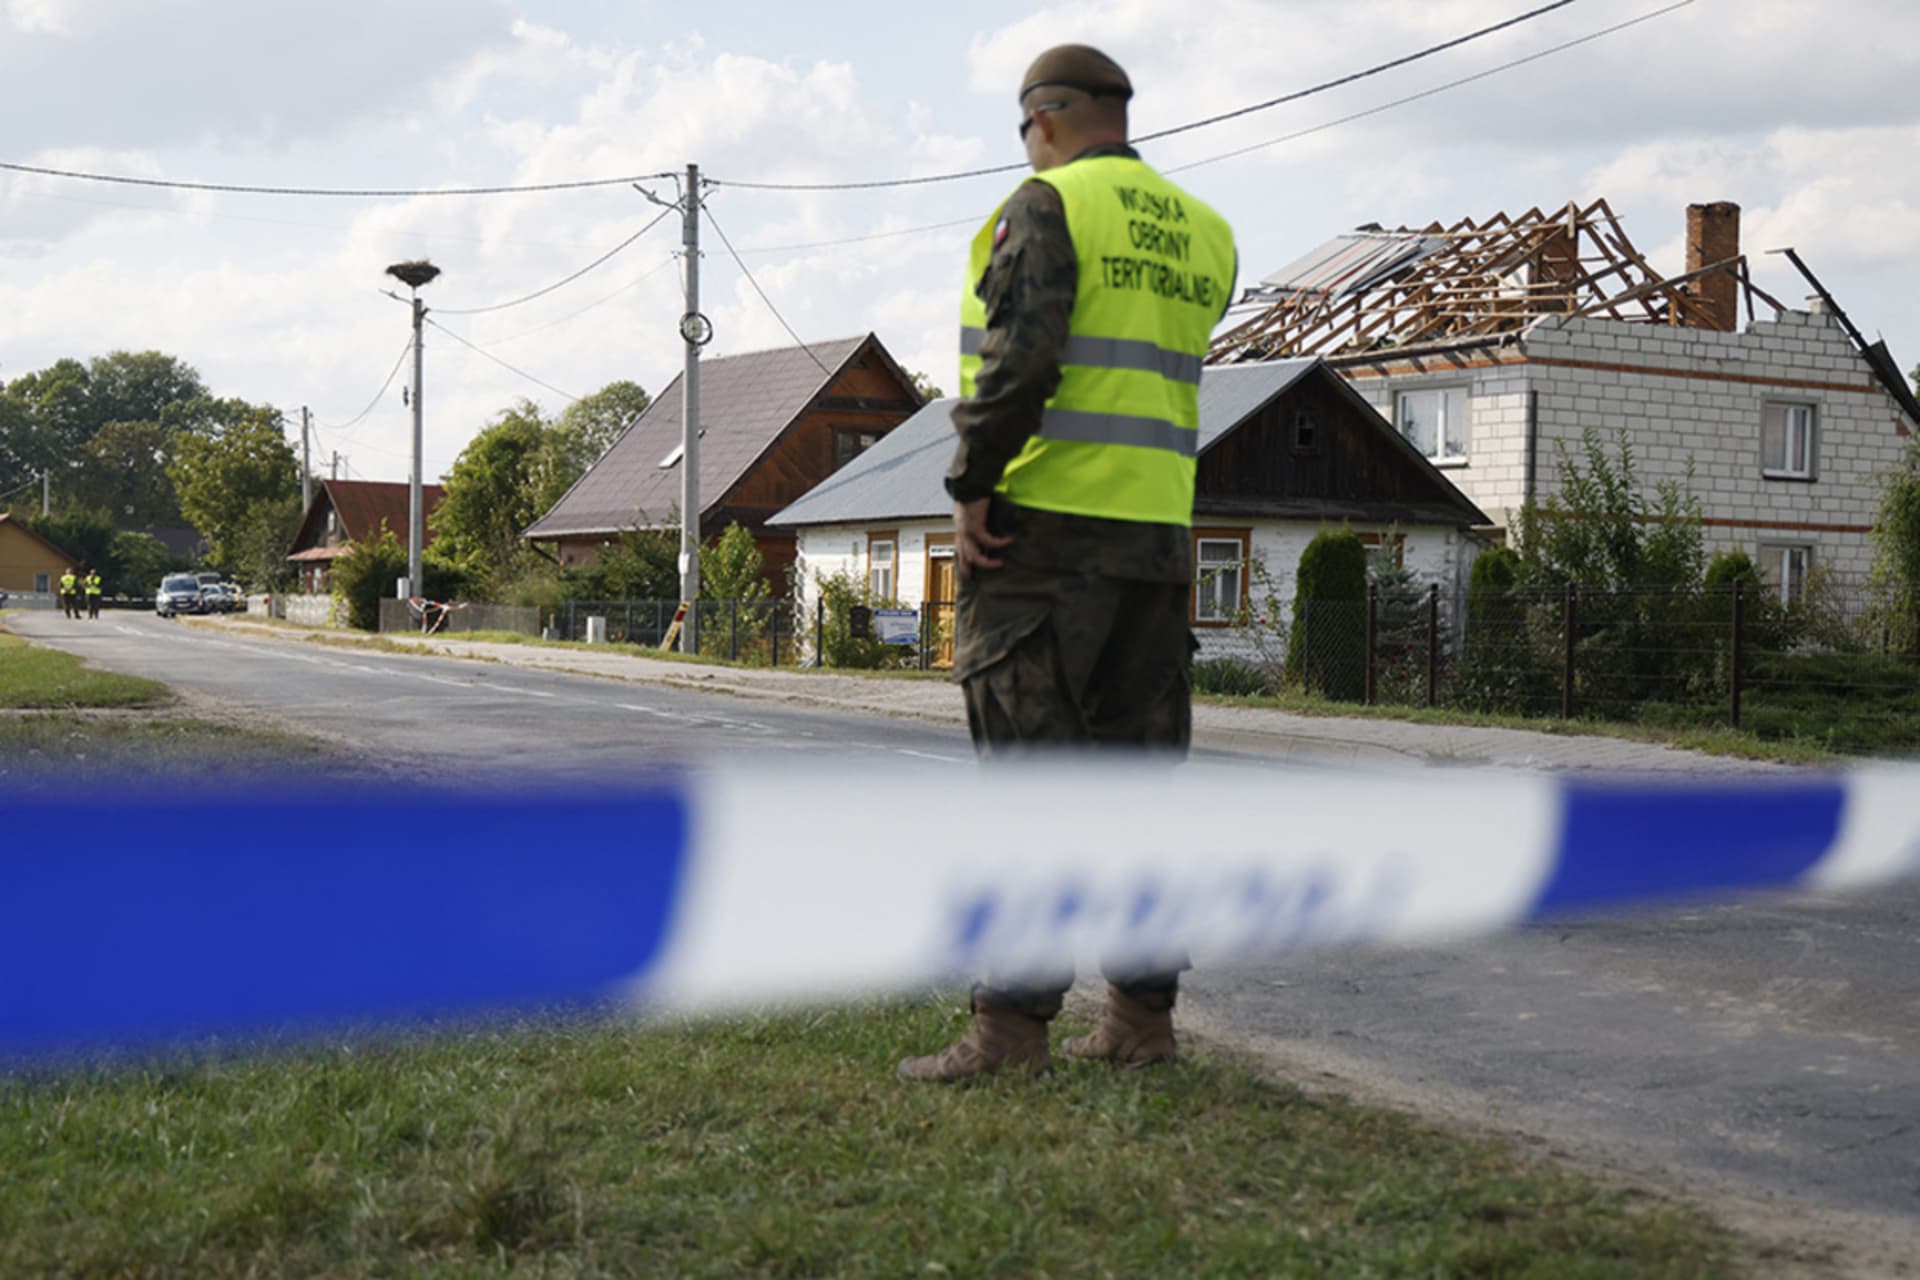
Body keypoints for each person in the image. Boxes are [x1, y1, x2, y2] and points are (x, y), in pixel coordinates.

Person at [897, 44, 1237, 1084]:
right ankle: (1141, 1018)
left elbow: (1026, 356)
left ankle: (1008, 1032)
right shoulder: (1205, 231)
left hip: (1040, 538)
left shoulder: (1042, 207)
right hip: (1155, 543)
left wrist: (970, 484)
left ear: (1043, 118)